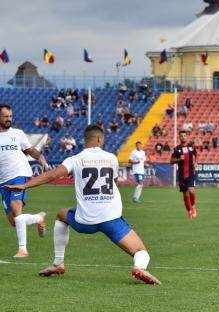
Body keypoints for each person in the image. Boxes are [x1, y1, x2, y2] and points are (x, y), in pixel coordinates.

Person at [4, 125, 160, 284]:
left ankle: (58, 263)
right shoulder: (112, 158)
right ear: (100, 139)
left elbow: (52, 175)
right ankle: (139, 267)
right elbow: (114, 183)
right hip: (111, 219)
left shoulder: (75, 159)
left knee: (61, 215)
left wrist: (24, 185)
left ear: (85, 140)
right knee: (140, 251)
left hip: (84, 221)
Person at [0, 103, 49, 258]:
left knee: (16, 209)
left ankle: (23, 250)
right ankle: (38, 218)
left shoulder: (17, 133)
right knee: (15, 221)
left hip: (19, 174)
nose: (9, 119)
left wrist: (40, 156)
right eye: (6, 116)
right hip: (3, 181)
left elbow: (30, 150)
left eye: (10, 116)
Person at [170, 131, 198, 220]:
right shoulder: (176, 149)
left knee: (191, 190)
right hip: (182, 175)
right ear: (179, 137)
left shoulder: (191, 147)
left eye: (184, 136)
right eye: (181, 136)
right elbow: (171, 161)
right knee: (185, 194)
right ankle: (189, 212)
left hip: (190, 173)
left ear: (187, 137)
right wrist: (179, 159)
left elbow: (196, 154)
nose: (183, 137)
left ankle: (193, 207)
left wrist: (196, 162)